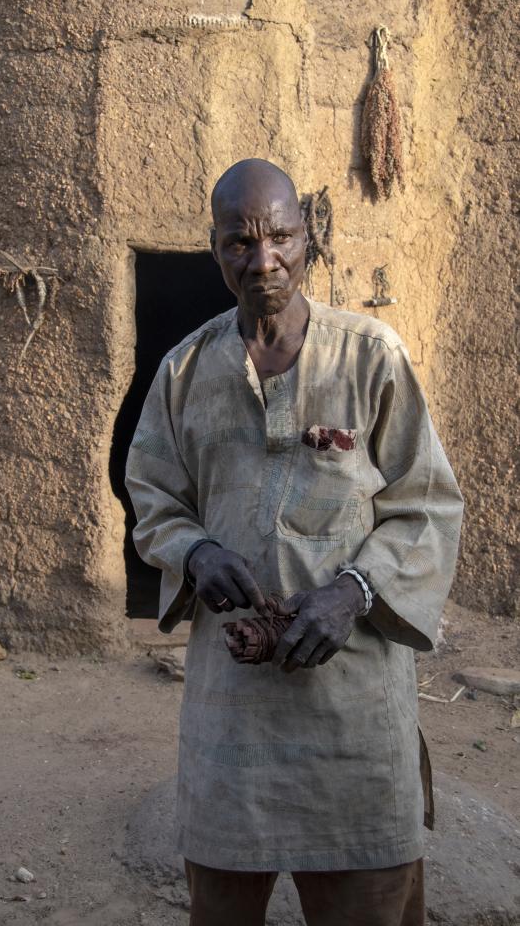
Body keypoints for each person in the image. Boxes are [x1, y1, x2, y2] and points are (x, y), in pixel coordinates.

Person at [125, 158, 463, 926]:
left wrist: (353, 592)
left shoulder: (370, 355)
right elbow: (152, 497)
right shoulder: (184, 370)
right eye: (238, 242)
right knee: (222, 896)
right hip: (230, 707)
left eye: (280, 236)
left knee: (367, 898)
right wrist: (196, 553)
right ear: (214, 251)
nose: (262, 260)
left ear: (308, 236)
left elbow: (426, 504)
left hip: (351, 700)